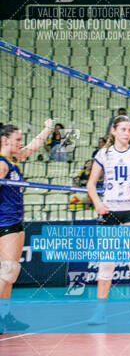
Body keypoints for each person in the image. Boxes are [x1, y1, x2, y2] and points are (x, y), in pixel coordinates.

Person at [86, 116, 130, 325]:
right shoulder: (103, 153)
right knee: (106, 263)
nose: (127, 133)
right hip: (109, 211)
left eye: (129, 130)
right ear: (114, 131)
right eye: (123, 129)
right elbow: (91, 185)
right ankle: (100, 312)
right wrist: (97, 203)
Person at [0, 119, 53, 333]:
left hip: (14, 221)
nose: (21, 143)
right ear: (4, 140)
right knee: (8, 270)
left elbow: (33, 147)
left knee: (9, 273)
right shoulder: (2, 164)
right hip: (6, 222)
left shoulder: (12, 159)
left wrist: (47, 128)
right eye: (17, 140)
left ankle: (4, 316)